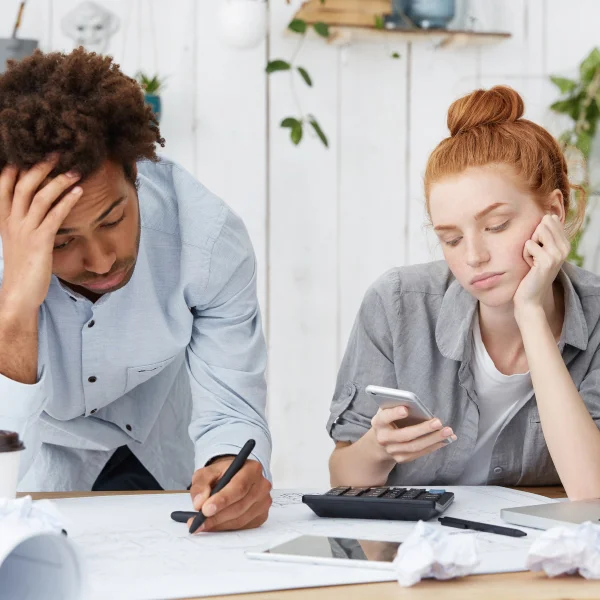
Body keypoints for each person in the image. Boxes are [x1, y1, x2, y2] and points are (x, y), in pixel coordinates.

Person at [0, 48, 272, 532]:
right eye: (62, 241)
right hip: (30, 464)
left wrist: (233, 466)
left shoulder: (207, 241)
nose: (101, 260)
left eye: (114, 219)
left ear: (136, 174)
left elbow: (231, 404)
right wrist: (18, 302)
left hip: (159, 453)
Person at [328, 85, 600, 500]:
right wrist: (378, 448)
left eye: (496, 226)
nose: (474, 256)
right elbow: (342, 475)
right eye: (452, 239)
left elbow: (592, 492)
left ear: (554, 213)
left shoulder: (595, 316)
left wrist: (529, 312)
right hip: (419, 550)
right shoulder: (398, 303)